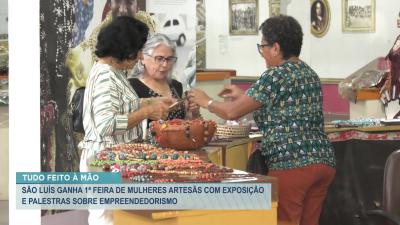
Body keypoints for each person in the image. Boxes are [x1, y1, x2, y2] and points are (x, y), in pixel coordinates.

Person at [188, 15, 335, 225]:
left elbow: (231, 113)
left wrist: (206, 101)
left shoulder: (274, 75)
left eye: (262, 46)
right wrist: (243, 97)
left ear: (275, 48)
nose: (262, 54)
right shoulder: (308, 73)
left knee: (284, 220)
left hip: (292, 162)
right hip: (323, 161)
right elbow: (284, 104)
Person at [79, 16, 172, 225]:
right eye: (138, 50)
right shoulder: (105, 76)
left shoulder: (113, 72)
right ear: (124, 48)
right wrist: (147, 111)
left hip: (110, 161)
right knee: (107, 219)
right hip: (102, 163)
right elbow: (106, 125)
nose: (140, 56)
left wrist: (149, 101)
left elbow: (120, 104)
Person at [129, 33, 200, 126]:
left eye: (169, 59)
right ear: (143, 58)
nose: (165, 64)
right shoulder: (131, 86)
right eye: (159, 58)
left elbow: (185, 124)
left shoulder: (176, 86)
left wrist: (192, 112)